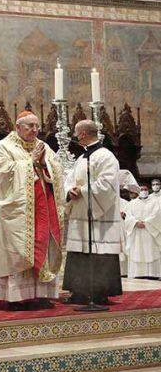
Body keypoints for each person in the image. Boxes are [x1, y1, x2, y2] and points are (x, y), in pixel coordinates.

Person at [0, 111, 65, 311]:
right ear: (18, 127)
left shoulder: (43, 146)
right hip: (17, 212)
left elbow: (57, 169)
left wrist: (42, 163)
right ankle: (17, 297)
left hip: (42, 208)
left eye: (36, 126)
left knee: (42, 244)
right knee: (20, 248)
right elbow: (0, 175)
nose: (34, 130)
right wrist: (29, 162)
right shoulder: (3, 147)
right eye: (29, 126)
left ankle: (41, 294)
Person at [63, 120, 123, 305]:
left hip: (99, 216)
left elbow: (108, 185)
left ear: (82, 134)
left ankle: (99, 293)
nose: (74, 135)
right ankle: (79, 292)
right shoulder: (82, 158)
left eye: (75, 132)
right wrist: (70, 190)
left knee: (99, 251)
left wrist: (83, 191)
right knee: (79, 251)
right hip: (80, 213)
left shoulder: (106, 157)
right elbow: (70, 179)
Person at [124, 185, 161, 279]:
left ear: (148, 190)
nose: (143, 191)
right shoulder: (131, 204)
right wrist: (135, 222)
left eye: (145, 189)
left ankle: (153, 273)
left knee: (151, 251)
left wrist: (147, 223)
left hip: (149, 232)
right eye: (141, 189)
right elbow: (128, 216)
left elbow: (157, 215)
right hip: (136, 232)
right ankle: (137, 273)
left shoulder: (155, 202)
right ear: (138, 191)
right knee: (137, 250)